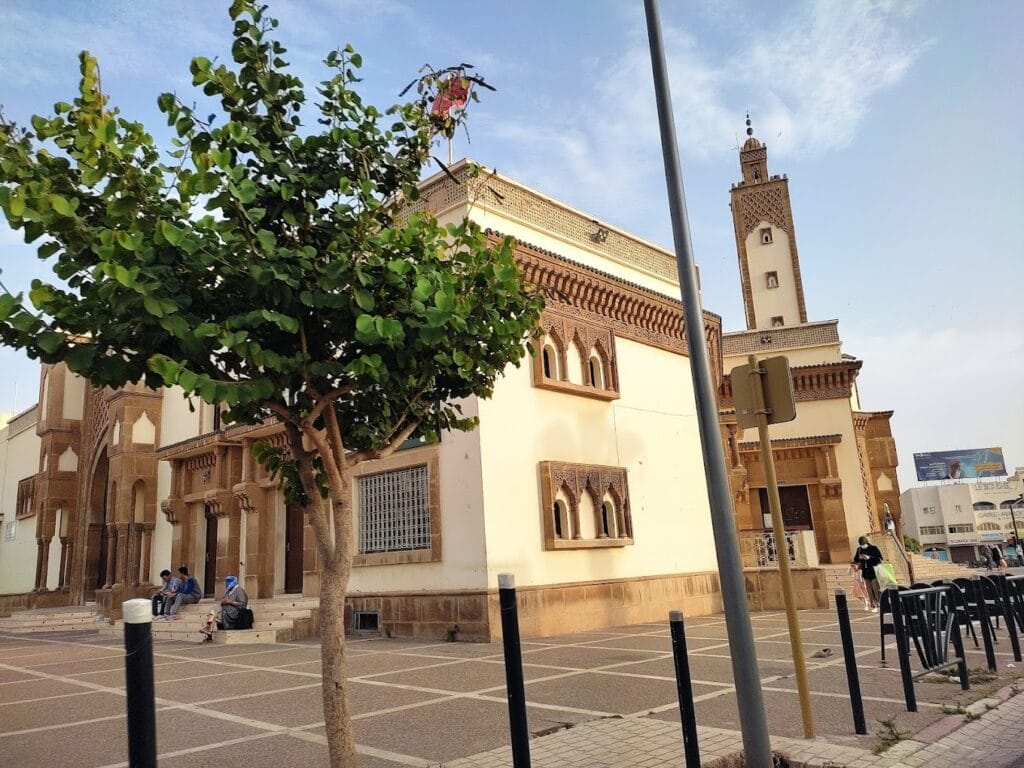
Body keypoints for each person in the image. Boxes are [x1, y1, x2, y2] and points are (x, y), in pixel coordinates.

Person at [852, 535, 884, 613]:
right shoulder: (859, 549)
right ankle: (873, 605)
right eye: (861, 545)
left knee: (876, 588)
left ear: (867, 543)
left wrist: (869, 557)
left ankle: (878, 602)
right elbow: (855, 559)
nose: (863, 546)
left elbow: (879, 558)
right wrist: (860, 558)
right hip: (866, 572)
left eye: (864, 544)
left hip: (874, 571)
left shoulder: (873, 548)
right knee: (869, 590)